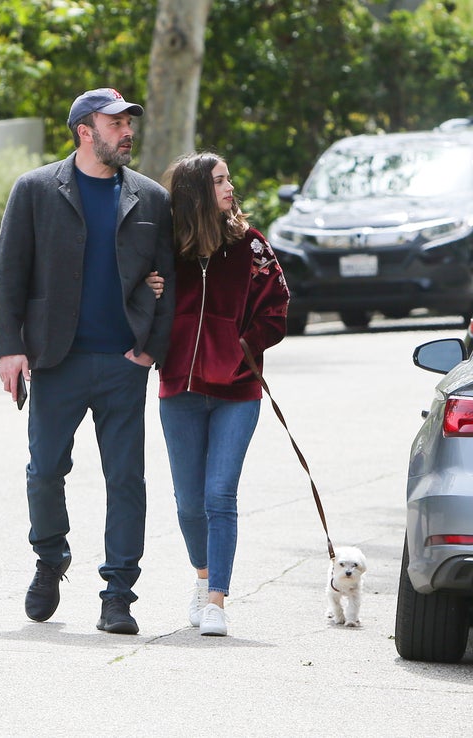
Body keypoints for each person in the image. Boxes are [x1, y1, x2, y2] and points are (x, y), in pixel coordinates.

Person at [0, 88, 175, 635]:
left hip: (123, 362)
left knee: (127, 481)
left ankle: (118, 594)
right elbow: (9, 273)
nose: (126, 131)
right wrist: (10, 346)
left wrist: (149, 350)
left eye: (128, 122)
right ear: (84, 130)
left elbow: (171, 281)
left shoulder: (150, 198)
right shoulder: (35, 190)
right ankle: (50, 559)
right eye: (114, 122)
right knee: (45, 471)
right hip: (56, 359)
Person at [154, 152, 289, 636]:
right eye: (220, 180)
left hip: (237, 389)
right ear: (195, 192)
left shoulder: (251, 245)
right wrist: (149, 291)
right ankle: (202, 577)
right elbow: (132, 292)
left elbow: (278, 306)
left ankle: (216, 601)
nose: (231, 186)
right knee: (189, 501)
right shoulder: (168, 249)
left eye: (230, 177)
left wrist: (244, 347)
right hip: (180, 388)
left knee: (219, 495)